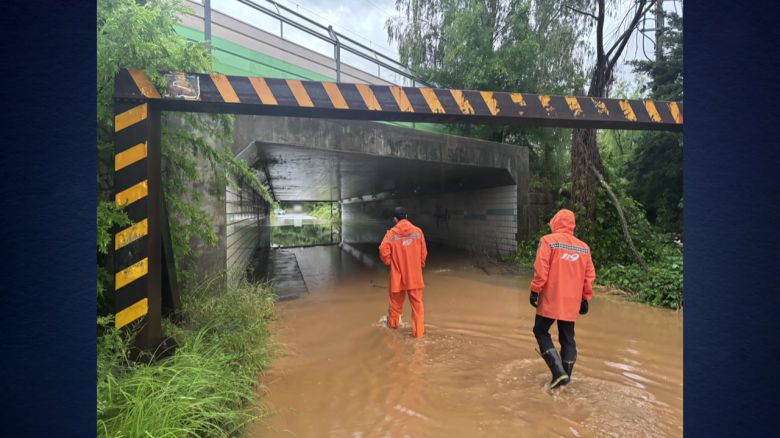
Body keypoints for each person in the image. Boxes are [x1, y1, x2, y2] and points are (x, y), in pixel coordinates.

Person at [529, 208, 595, 389]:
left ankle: (558, 373)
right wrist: (585, 298)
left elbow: (541, 270)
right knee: (568, 338)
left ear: (555, 222)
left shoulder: (548, 241)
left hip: (551, 297)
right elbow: (589, 276)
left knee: (540, 331)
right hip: (572, 301)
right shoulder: (583, 247)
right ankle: (565, 379)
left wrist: (535, 290)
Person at [379, 206, 428, 338]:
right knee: (417, 306)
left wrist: (390, 262)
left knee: (395, 306)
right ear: (406, 216)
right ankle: (419, 335)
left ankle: (393, 331)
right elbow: (423, 252)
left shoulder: (391, 234)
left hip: (398, 277)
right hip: (414, 276)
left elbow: (383, 250)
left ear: (395, 219)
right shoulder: (418, 231)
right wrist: (419, 265)